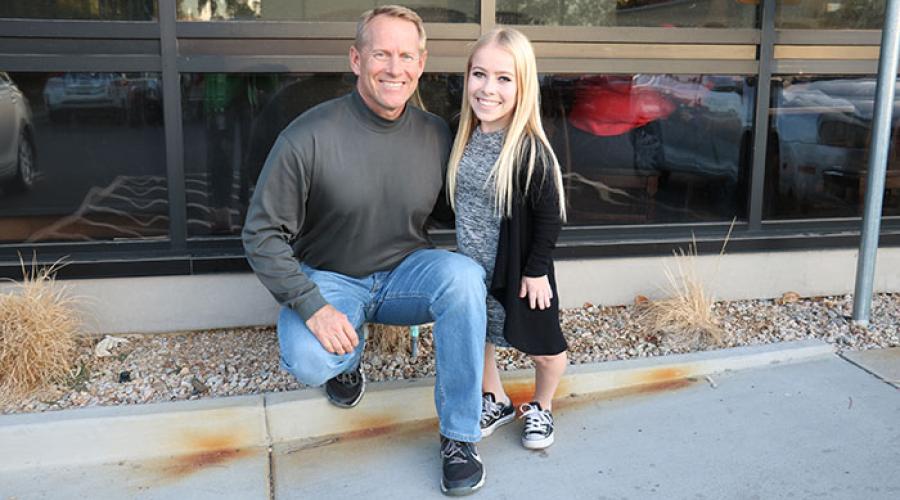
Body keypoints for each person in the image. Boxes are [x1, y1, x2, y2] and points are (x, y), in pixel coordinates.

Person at [241, 6, 487, 495]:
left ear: (421, 64)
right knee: (310, 359)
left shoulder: (436, 134)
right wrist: (313, 307)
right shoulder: (308, 136)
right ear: (356, 59)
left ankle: (460, 437)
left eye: (406, 56)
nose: (394, 69)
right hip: (332, 278)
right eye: (381, 54)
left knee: (463, 278)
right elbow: (261, 233)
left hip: (406, 275)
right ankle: (348, 360)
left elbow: (450, 214)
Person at [446, 27, 568, 450]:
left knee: (544, 348)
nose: (488, 88)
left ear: (523, 85)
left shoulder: (528, 149)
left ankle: (542, 405)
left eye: (503, 78)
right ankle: (494, 397)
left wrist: (536, 271)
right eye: (479, 75)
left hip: (520, 271)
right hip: (471, 268)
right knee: (478, 334)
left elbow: (550, 217)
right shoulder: (461, 135)